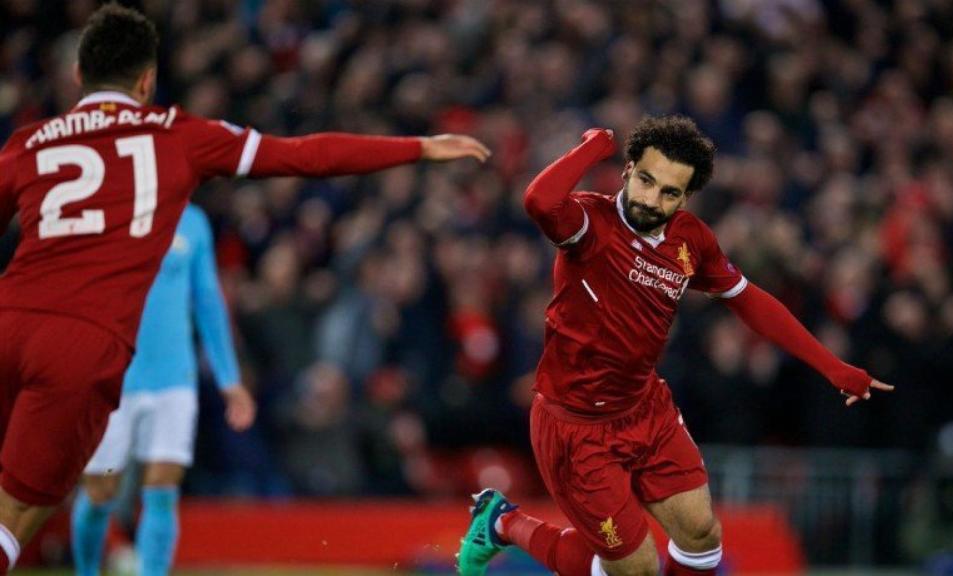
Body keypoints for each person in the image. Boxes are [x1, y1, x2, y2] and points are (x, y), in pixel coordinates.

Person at [0, 4, 489, 573]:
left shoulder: (30, 140)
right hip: (81, 348)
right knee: (22, 513)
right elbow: (304, 156)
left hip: (9, 321)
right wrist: (417, 147)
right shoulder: (180, 134)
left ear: (78, 76)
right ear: (147, 81)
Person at [457, 119, 892, 576]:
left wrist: (832, 366)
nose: (651, 199)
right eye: (646, 180)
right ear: (627, 171)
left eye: (670, 192)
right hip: (577, 427)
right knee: (637, 570)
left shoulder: (691, 240)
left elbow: (749, 301)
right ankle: (503, 522)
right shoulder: (589, 223)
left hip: (646, 410)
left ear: (685, 198)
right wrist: (593, 147)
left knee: (702, 536)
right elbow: (538, 200)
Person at [71, 203, 253, 576]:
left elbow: (207, 299)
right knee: (100, 492)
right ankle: (86, 571)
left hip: (175, 378)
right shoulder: (111, 206)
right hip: (114, 376)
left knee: (162, 490)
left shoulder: (193, 221)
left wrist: (229, 379)